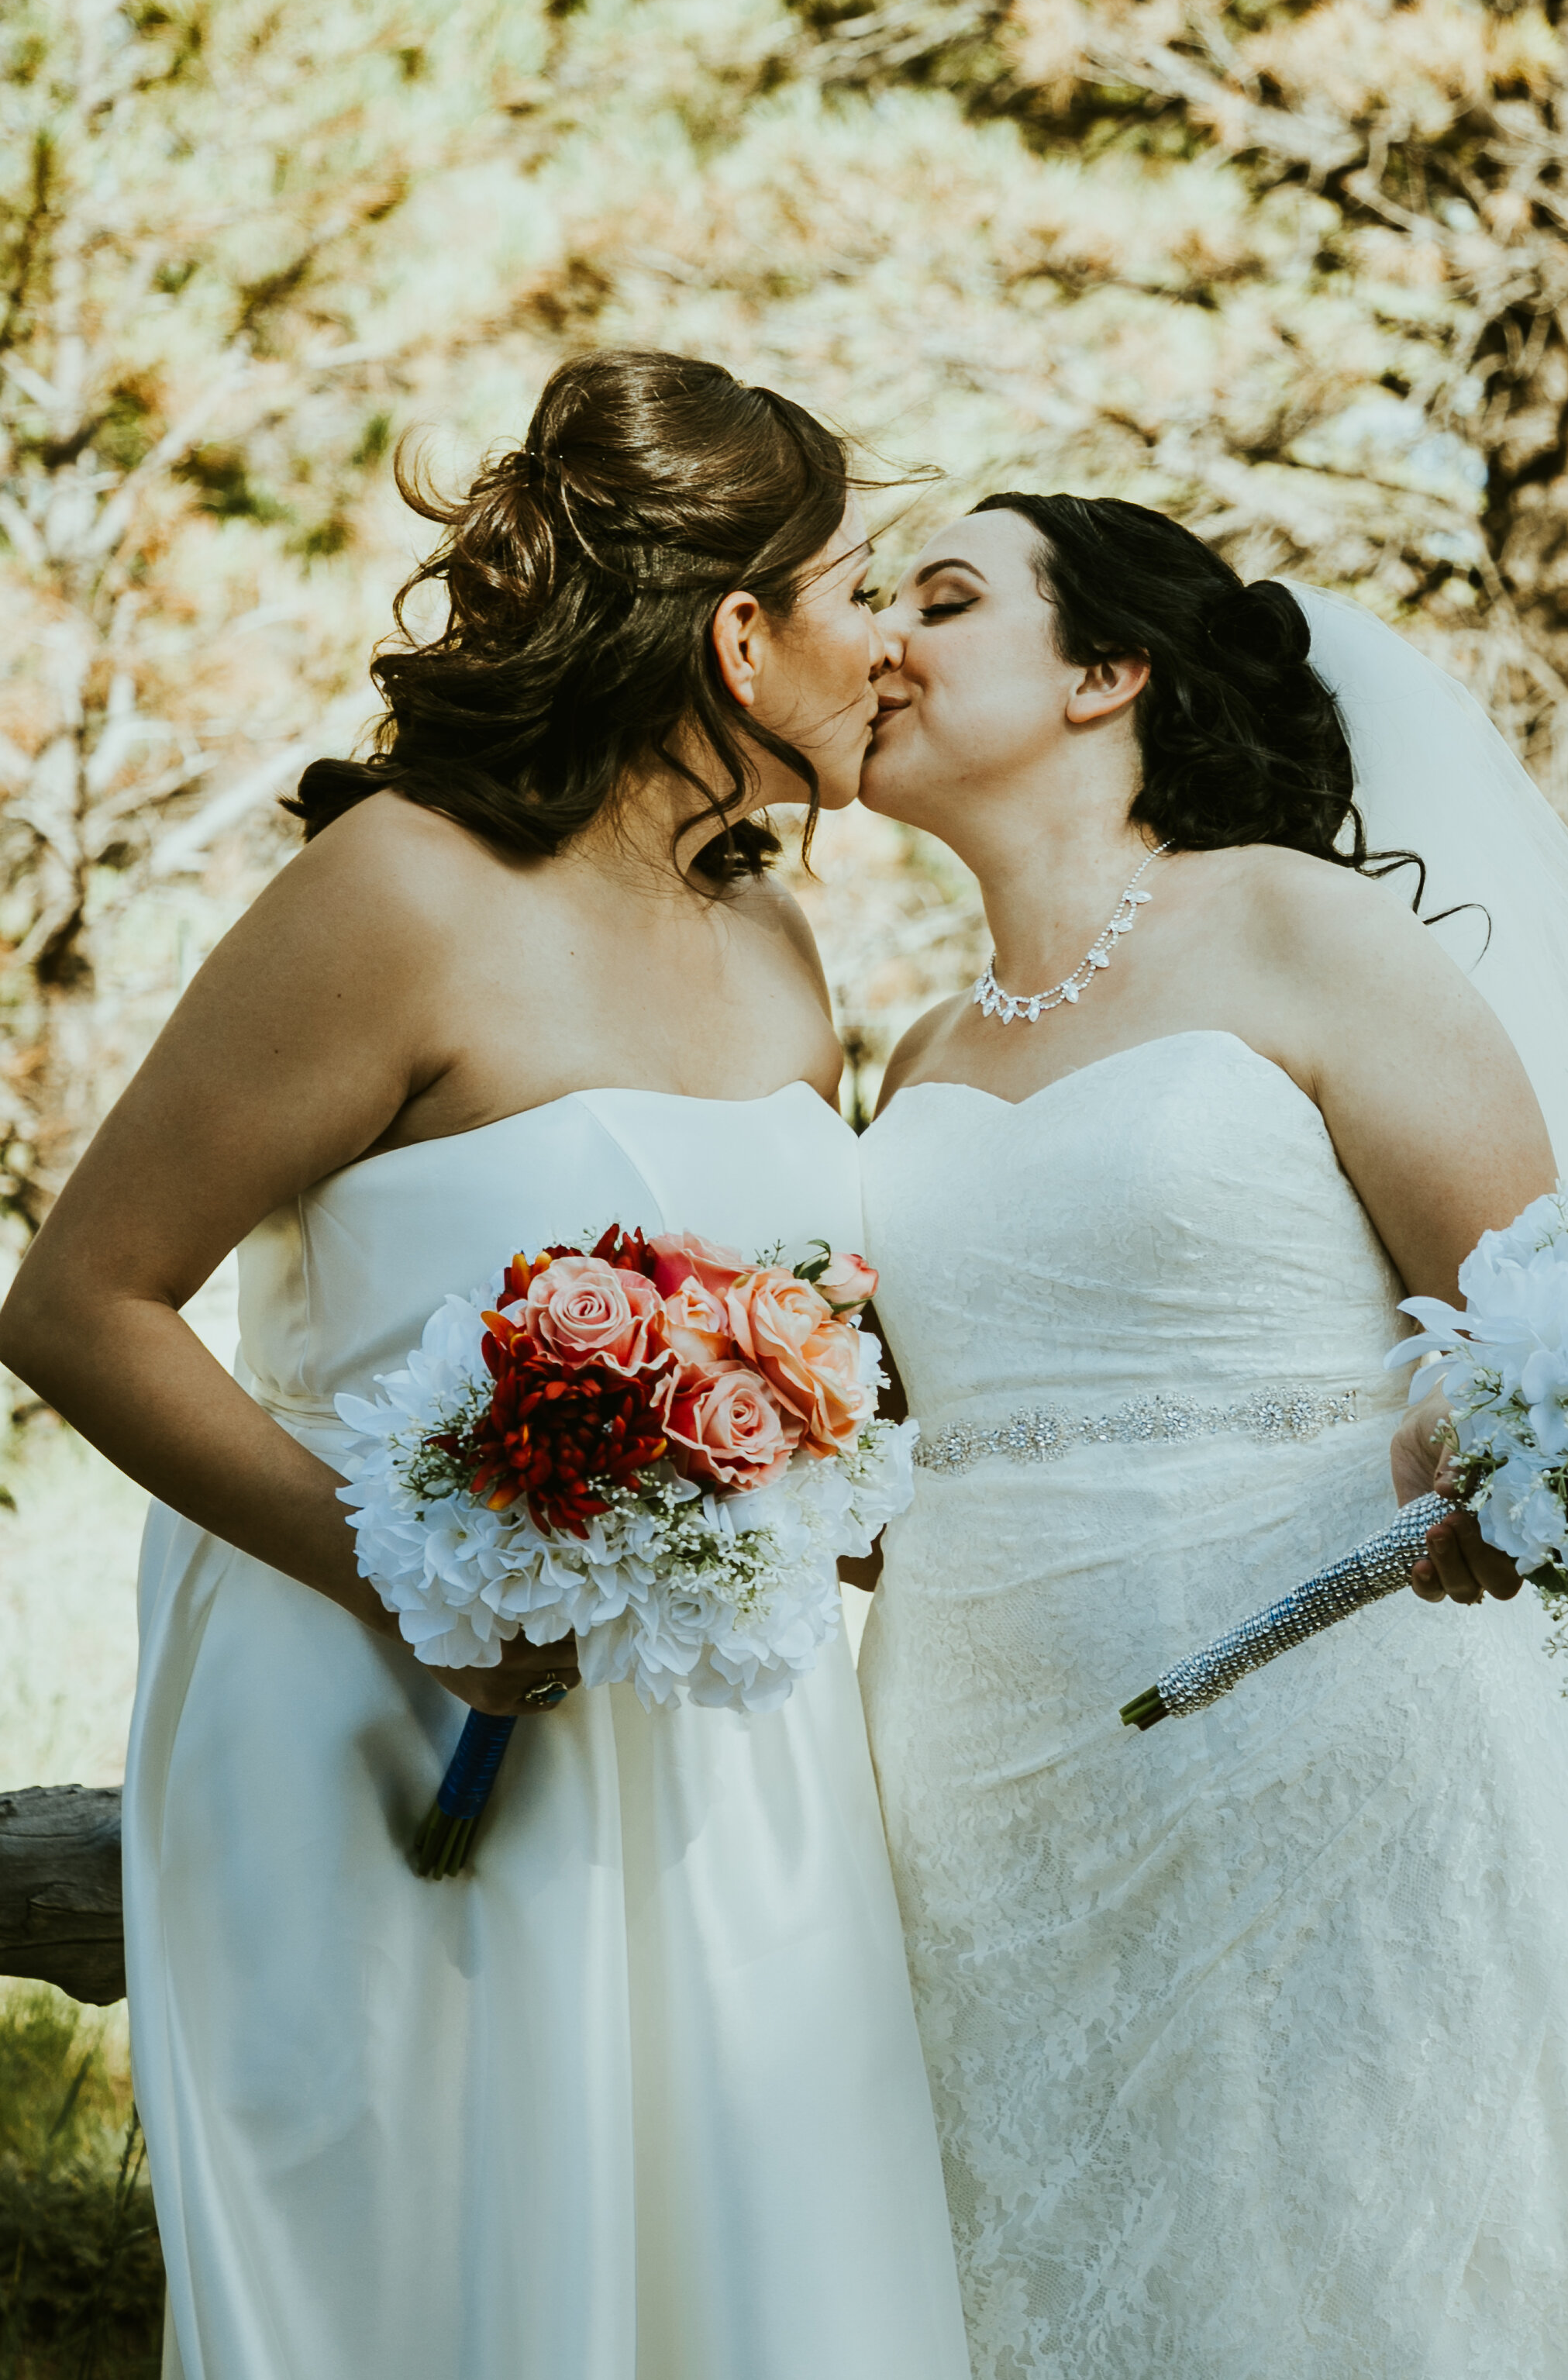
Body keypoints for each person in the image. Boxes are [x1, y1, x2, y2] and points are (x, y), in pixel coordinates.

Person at [851, 492, 1568, 2378]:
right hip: (972, 1756)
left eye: (943, 602)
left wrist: (1480, 1476)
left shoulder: (1297, 927)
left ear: (1107, 674)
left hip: (1331, 1723)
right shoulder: (915, 1051)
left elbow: (1522, 1333)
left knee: (1404, 2236)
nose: (881, 642)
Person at [0, 350, 971, 2380]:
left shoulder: (776, 934)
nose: (892, 640)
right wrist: (406, 1571)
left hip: (728, 1736)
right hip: (372, 1707)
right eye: (860, 585)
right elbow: (81, 1300)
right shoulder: (396, 894)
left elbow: (822, 1351)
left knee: (751, 2276)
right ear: (737, 628)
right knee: (435, 2266)